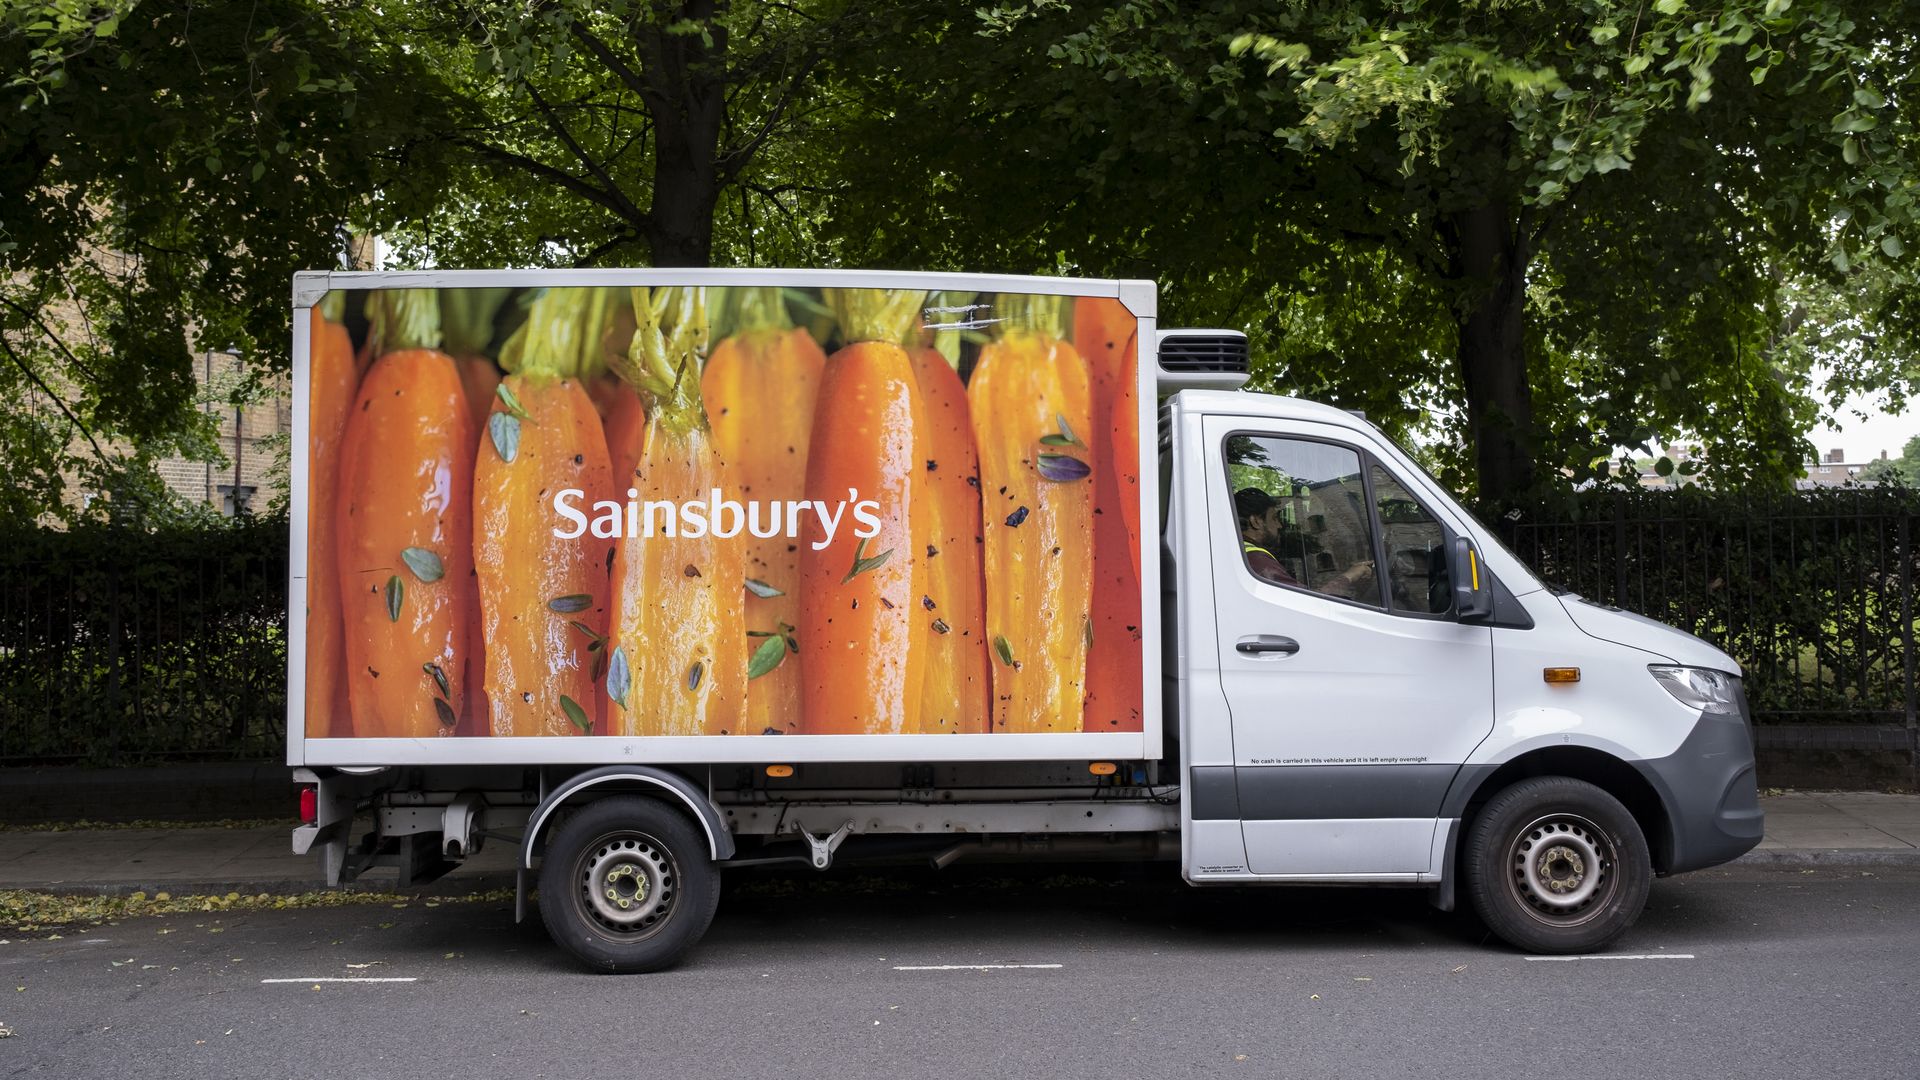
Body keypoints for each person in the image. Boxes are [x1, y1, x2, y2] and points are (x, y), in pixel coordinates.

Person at [1233, 487, 1298, 586]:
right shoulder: (1257, 560)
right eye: (1274, 518)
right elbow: (1295, 597)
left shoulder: (1236, 549)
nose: (1279, 525)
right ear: (1255, 521)